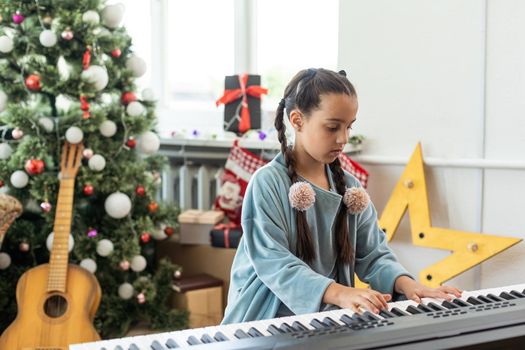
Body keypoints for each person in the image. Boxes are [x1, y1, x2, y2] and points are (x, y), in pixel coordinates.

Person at [221, 68, 461, 324]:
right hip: (265, 318)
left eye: (349, 126)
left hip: (327, 315)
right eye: (332, 127)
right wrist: (339, 292)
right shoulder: (267, 182)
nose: (343, 138)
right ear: (297, 120)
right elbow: (273, 262)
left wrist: (408, 285)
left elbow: (374, 254)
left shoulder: (350, 187)